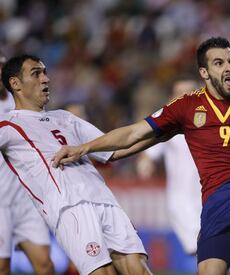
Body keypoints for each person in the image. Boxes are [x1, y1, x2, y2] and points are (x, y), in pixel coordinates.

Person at [53, 35, 230, 274]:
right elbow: (134, 133)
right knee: (208, 269)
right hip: (220, 201)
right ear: (204, 73)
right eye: (219, 63)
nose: (229, 68)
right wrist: (85, 148)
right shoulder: (186, 106)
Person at [0, 54, 152, 275]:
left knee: (138, 268)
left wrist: (162, 131)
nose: (45, 79)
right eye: (36, 73)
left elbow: (115, 150)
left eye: (45, 72)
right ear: (15, 84)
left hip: (105, 199)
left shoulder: (64, 117)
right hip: (68, 207)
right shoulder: (8, 125)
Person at [0, 52, 54, 275]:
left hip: (25, 198)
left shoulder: (23, 103)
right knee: (2, 266)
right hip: (0, 200)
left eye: (2, 65)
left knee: (44, 263)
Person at [136, 78, 202, 256]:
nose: (184, 96)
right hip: (182, 200)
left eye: (189, 91)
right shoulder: (167, 122)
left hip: (210, 197)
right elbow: (149, 151)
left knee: (213, 253)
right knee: (203, 249)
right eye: (179, 93)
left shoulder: (212, 120)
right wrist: (145, 163)